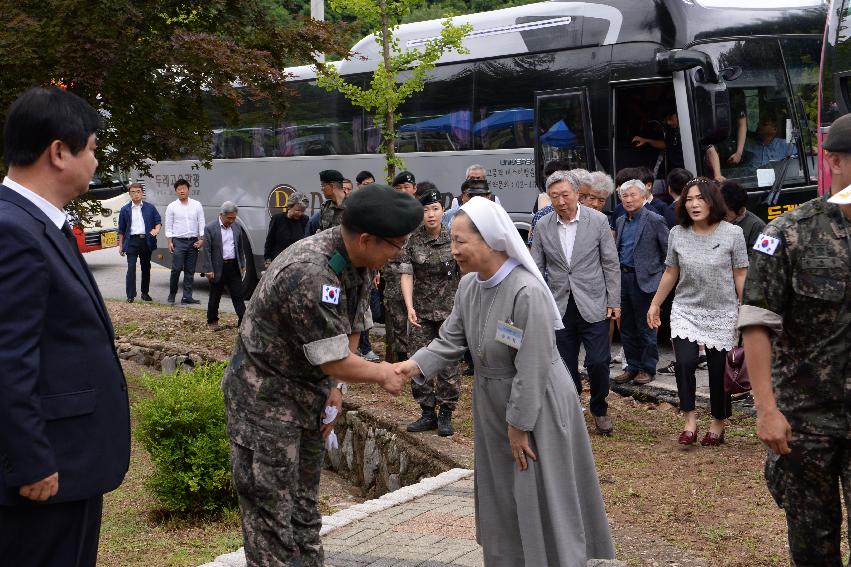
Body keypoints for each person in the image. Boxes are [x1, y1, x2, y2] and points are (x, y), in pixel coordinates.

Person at [395, 197, 615, 566]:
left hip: (536, 403)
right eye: (452, 240)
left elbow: (533, 365)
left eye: (460, 242)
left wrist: (519, 424)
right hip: (492, 401)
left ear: (492, 240)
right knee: (501, 488)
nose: (453, 251)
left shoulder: (525, 290)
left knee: (540, 487)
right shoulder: (469, 288)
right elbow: (450, 341)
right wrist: (409, 368)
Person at [222, 184, 421, 566]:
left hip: (306, 397)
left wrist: (334, 390)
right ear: (366, 239)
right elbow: (332, 359)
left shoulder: (356, 261)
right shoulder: (310, 272)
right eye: (396, 247)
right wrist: (382, 373)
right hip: (265, 405)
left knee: (303, 511)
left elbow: (351, 331)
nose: (399, 256)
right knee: (271, 518)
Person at [0, 87, 130, 567]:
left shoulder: (37, 223)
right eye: (93, 148)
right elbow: (8, 357)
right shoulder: (13, 229)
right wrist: (31, 459)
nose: (96, 162)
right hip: (46, 472)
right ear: (59, 152)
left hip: (69, 462)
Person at [738, 113, 851, 566]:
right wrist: (766, 410)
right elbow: (757, 323)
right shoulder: (787, 234)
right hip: (806, 423)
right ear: (835, 162)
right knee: (813, 545)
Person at [647, 178, 748, 446]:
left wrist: (746, 310)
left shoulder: (732, 234)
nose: (693, 204)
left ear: (712, 201)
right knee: (685, 363)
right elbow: (671, 271)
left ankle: (718, 422)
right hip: (686, 309)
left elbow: (740, 274)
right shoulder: (677, 234)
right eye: (688, 199)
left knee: (718, 371)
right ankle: (689, 420)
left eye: (700, 199)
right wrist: (656, 303)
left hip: (723, 311)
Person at [531, 170, 621, 435]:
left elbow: (610, 263)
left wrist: (614, 300)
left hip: (593, 301)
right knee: (564, 363)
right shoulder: (543, 225)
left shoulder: (598, 220)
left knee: (598, 361)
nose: (560, 201)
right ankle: (571, 408)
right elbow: (536, 266)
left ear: (577, 194)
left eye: (565, 195)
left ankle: (599, 407)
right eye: (554, 196)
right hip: (559, 304)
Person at [400, 188, 461, 436]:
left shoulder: (454, 237)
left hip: (449, 312)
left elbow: (465, 272)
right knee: (418, 360)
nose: (431, 215)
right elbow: (406, 273)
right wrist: (409, 306)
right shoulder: (413, 241)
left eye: (435, 209)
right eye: (425, 210)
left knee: (448, 364)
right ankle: (427, 412)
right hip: (422, 312)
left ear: (442, 211)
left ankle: (446, 412)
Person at [612, 180, 669, 386]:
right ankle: (632, 366)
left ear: (644, 196)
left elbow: (667, 253)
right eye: (624, 196)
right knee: (626, 327)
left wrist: (658, 279)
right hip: (623, 278)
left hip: (646, 280)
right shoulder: (620, 220)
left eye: (632, 195)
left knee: (646, 326)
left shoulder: (655, 219)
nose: (628, 200)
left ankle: (647, 368)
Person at [383, 173, 418, 362]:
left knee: (417, 317)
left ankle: (418, 357)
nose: (404, 191)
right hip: (393, 273)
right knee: (397, 317)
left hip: (417, 275)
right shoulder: (388, 215)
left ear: (414, 188)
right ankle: (403, 357)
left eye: (407, 186)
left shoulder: (424, 213)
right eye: (399, 188)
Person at [203, 201, 247, 332]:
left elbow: (240, 247)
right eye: (229, 218)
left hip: (233, 266)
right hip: (217, 267)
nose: (231, 221)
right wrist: (209, 269)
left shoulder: (237, 227)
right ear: (221, 215)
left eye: (234, 218)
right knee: (215, 296)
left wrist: (243, 264)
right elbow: (207, 251)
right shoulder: (210, 228)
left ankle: (243, 320)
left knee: (238, 295)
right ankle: (212, 320)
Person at [117, 182, 161, 302]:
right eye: (133, 192)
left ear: (142, 193)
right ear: (129, 194)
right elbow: (121, 230)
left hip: (146, 241)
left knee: (146, 268)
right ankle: (130, 295)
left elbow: (158, 221)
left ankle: (145, 293)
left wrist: (156, 229)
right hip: (131, 241)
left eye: (138, 192)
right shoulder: (125, 210)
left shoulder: (150, 207)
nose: (136, 194)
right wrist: (121, 245)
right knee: (131, 268)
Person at [165, 178, 205, 304]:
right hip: (178, 241)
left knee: (190, 270)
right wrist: (169, 241)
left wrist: (202, 239)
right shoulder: (172, 206)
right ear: (176, 191)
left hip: (193, 241)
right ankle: (172, 294)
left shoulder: (197, 204)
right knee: (176, 269)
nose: (182, 191)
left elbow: (201, 222)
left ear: (188, 190)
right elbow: (168, 225)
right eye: (179, 189)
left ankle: (187, 297)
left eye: (184, 188)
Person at [264, 191, 309, 268]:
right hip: (278, 262)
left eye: (303, 211)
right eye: (297, 210)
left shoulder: (305, 220)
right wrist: (268, 260)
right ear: (289, 207)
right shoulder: (277, 219)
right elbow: (269, 241)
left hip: (297, 263)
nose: (300, 213)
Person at [721, 180, 765, 249]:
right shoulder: (714, 218)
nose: (721, 213)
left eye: (726, 213)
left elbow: (759, 258)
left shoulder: (757, 226)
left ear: (740, 211)